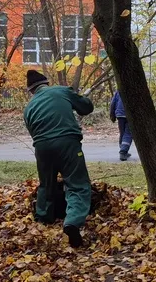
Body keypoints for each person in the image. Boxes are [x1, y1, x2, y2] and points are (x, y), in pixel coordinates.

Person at [23, 70, 95, 248]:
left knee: (46, 184)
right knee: (77, 184)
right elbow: (86, 107)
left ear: (31, 91)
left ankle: (43, 219)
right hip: (67, 143)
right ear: (46, 83)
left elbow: (33, 132)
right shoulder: (61, 91)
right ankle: (72, 221)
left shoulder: (29, 108)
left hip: (42, 148)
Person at [109, 90, 133, 161]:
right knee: (128, 133)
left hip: (120, 114)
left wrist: (112, 115)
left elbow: (113, 103)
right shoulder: (133, 90)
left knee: (122, 133)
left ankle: (123, 149)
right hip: (129, 114)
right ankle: (123, 151)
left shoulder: (119, 91)